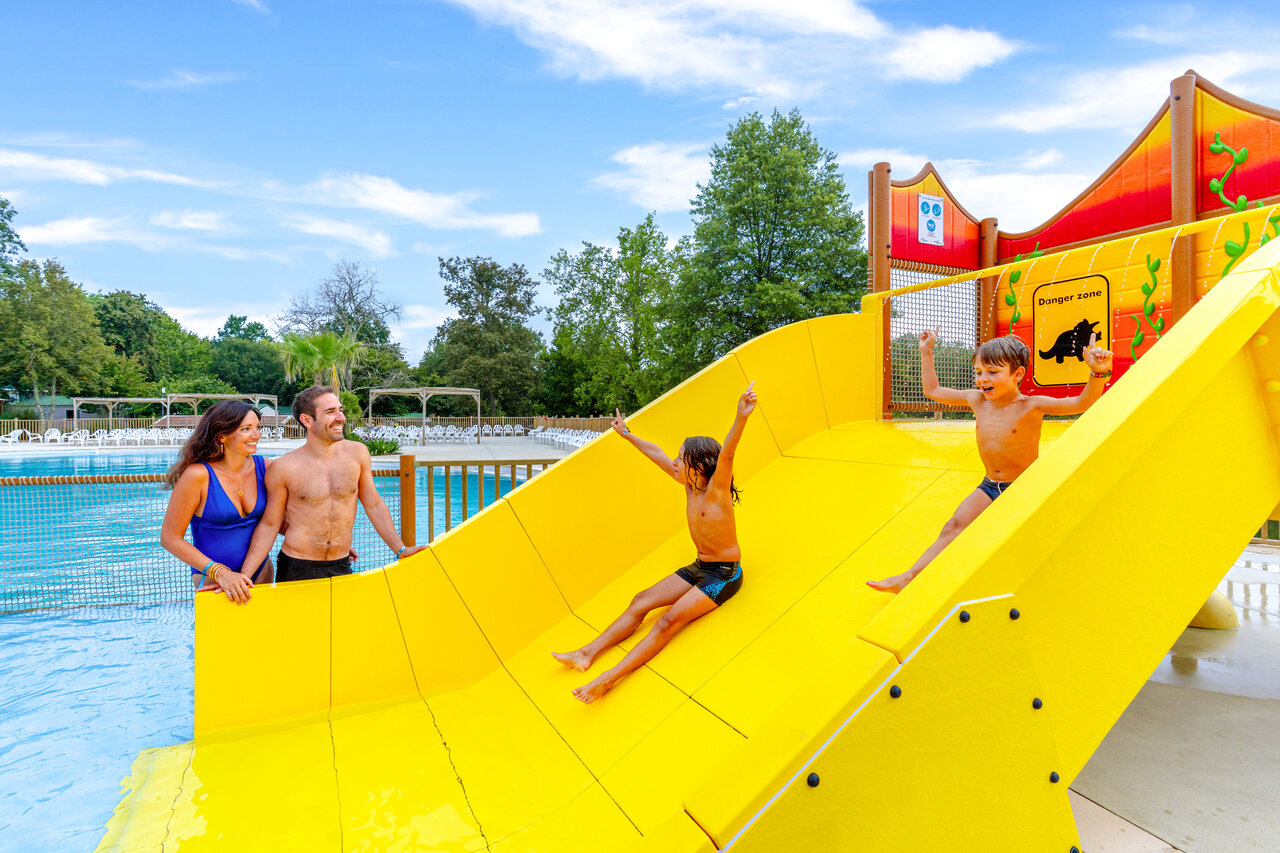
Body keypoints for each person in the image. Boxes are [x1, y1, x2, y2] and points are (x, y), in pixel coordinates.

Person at [553, 381, 757, 704]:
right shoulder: (688, 484)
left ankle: (607, 679)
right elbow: (656, 454)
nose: (675, 462)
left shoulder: (717, 489)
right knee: (641, 600)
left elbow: (729, 451)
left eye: (681, 458)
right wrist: (626, 434)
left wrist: (741, 417)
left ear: (700, 466)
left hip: (724, 576)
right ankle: (585, 653)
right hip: (701, 565)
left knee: (665, 622)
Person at [867, 327, 1113, 593]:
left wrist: (1097, 372)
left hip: (1024, 489)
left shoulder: (1031, 405)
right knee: (955, 525)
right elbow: (934, 390)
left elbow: (1080, 403)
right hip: (989, 486)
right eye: (979, 372)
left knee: (1024, 542)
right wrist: (926, 352)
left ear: (1017, 374)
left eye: (993, 372)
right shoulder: (977, 400)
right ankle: (909, 578)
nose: (983, 379)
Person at [235, 386, 425, 586]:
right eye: (330, 412)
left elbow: (374, 504)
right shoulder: (284, 467)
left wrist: (401, 550)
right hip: (297, 565)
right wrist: (245, 575)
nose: (340, 417)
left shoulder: (358, 453)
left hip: (341, 563)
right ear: (307, 420)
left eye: (340, 410)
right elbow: (270, 524)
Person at [161, 401, 273, 604]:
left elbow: (283, 519)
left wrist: (332, 539)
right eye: (246, 429)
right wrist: (220, 572)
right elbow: (170, 538)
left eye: (258, 427)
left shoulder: (264, 467)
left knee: (262, 635)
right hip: (214, 582)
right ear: (222, 436)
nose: (256, 435)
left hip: (260, 573)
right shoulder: (198, 476)